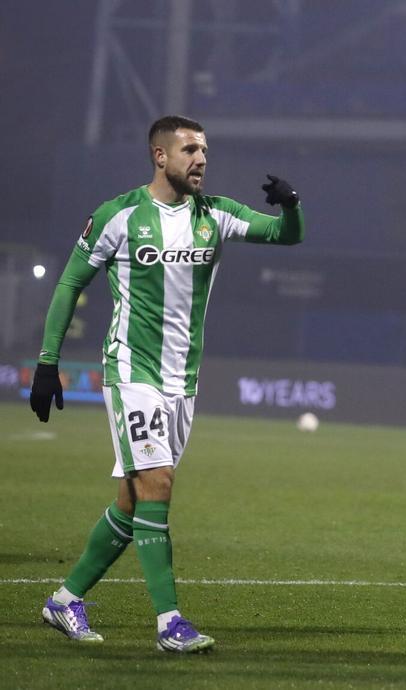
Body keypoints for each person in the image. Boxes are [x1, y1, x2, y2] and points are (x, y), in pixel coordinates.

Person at [29, 115, 305, 653]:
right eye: (189, 150)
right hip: (132, 371)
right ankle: (169, 623)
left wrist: (291, 204)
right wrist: (47, 361)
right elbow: (69, 283)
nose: (201, 159)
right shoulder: (118, 215)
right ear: (160, 156)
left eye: (204, 150)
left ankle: (64, 599)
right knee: (158, 483)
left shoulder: (216, 214)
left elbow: (287, 234)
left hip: (183, 381)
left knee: (132, 502)